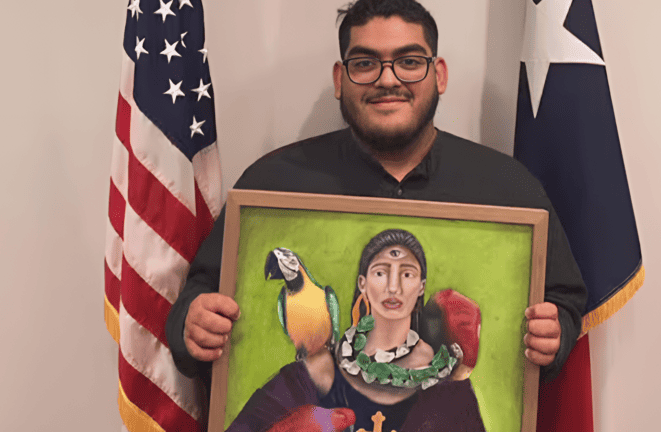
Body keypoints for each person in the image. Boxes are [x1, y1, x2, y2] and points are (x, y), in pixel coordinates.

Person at [166, 0, 587, 427]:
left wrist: (556, 334)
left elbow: (565, 301)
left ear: (438, 74)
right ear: (339, 78)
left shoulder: (508, 188)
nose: (388, 79)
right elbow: (199, 296)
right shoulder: (271, 184)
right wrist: (192, 324)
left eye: (408, 61)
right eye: (365, 63)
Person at [227, 229, 485, 432]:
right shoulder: (316, 373)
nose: (393, 287)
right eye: (381, 272)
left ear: (421, 287)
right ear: (363, 284)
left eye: (407, 274)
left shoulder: (448, 385)